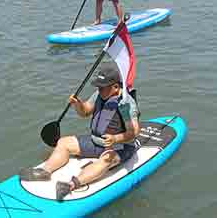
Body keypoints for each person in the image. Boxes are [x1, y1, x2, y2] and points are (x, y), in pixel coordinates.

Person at [19, 64, 140, 201]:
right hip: (96, 141)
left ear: (116, 87)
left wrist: (115, 139)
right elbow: (85, 112)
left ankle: (70, 185)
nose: (99, 90)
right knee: (63, 143)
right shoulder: (99, 95)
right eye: (98, 87)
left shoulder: (125, 103)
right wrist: (78, 104)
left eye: (102, 87)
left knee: (106, 160)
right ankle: (45, 171)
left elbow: (134, 131)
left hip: (119, 146)